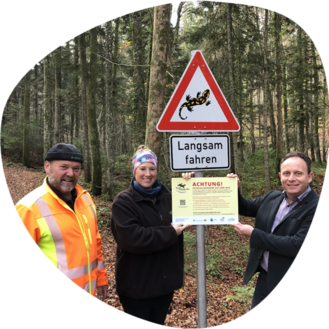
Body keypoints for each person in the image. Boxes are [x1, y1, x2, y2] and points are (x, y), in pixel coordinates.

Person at [227, 151, 322, 311]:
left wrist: (253, 234)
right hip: (265, 279)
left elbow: (297, 246)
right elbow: (245, 207)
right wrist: (233, 189)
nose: (291, 178)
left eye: (298, 173)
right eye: (287, 173)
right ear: (280, 176)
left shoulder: (315, 206)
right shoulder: (273, 197)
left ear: (309, 176)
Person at [14, 143, 108, 301]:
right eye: (63, 167)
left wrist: (102, 278)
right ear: (47, 167)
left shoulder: (85, 198)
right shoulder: (28, 208)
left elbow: (95, 242)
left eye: (76, 168)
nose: (70, 173)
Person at [111, 145, 191, 326]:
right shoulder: (123, 201)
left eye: (152, 169)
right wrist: (171, 232)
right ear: (135, 170)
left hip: (164, 287)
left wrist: (190, 183)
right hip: (137, 289)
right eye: (143, 169)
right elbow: (132, 239)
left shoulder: (169, 197)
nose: (148, 174)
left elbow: (194, 210)